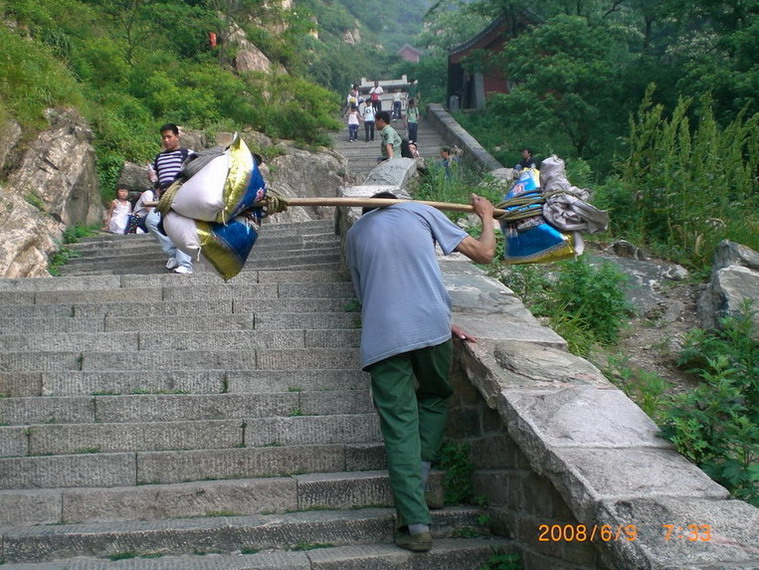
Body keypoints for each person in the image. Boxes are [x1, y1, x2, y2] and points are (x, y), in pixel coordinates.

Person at [345, 191, 495, 553]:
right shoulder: (420, 211)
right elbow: (484, 253)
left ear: (367, 211)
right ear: (398, 201)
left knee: (399, 425)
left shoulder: (354, 234)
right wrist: (486, 216)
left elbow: (367, 292)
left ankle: (415, 525)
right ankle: (422, 480)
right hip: (430, 327)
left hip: (382, 335)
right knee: (433, 397)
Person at [147, 123, 195, 274]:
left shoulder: (187, 153)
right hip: (163, 198)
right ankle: (172, 253)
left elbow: (197, 171)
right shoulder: (158, 158)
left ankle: (186, 265)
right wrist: (152, 177)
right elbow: (155, 180)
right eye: (163, 137)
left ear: (177, 136)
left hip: (182, 195)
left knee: (181, 228)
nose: (166, 140)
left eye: (169, 136)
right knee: (151, 221)